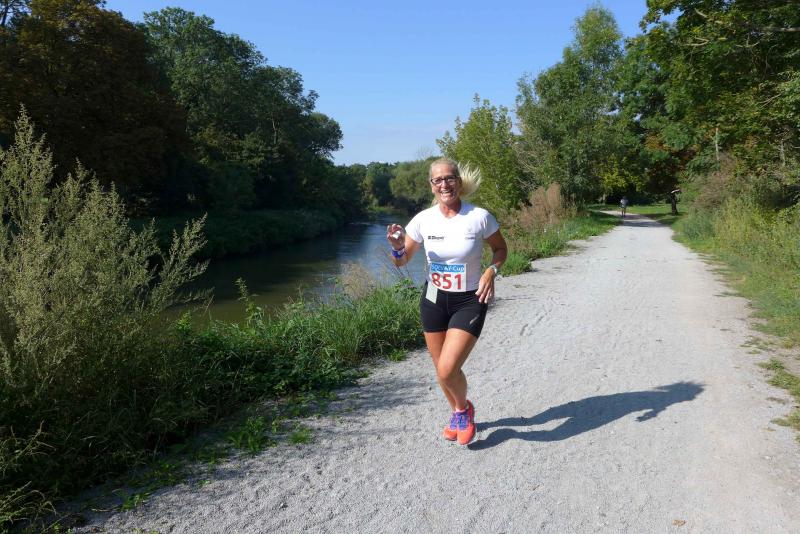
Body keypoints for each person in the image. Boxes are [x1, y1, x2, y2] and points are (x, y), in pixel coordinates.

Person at [386, 158, 507, 446]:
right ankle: (458, 412)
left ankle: (463, 409)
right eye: (438, 180)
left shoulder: (479, 217)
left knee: (447, 369)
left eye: (450, 178)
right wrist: (398, 248)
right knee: (440, 367)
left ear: (459, 182)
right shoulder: (423, 220)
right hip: (434, 299)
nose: (444, 184)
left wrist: (491, 270)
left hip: (469, 300)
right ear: (431, 185)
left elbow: (500, 249)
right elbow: (402, 261)